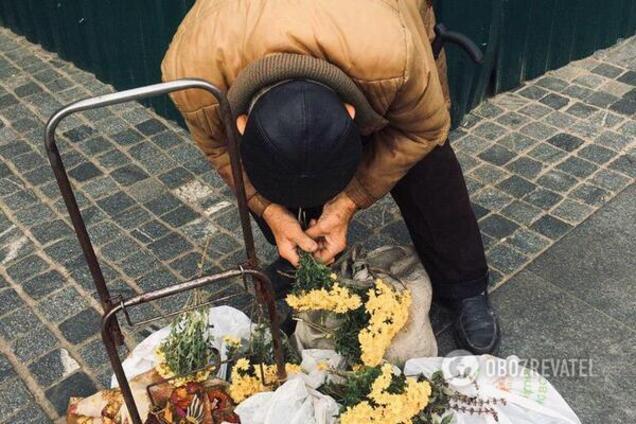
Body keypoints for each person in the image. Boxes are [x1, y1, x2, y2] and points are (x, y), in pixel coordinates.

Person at [162, 0, 500, 354]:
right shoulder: (192, 79)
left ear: (350, 114)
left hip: (385, 29)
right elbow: (222, 151)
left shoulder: (396, 57)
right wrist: (272, 211)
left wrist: (348, 201)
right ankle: (304, 255)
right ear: (241, 125)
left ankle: (464, 284)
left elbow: (421, 131)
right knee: (280, 169)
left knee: (426, 166)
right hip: (282, 38)